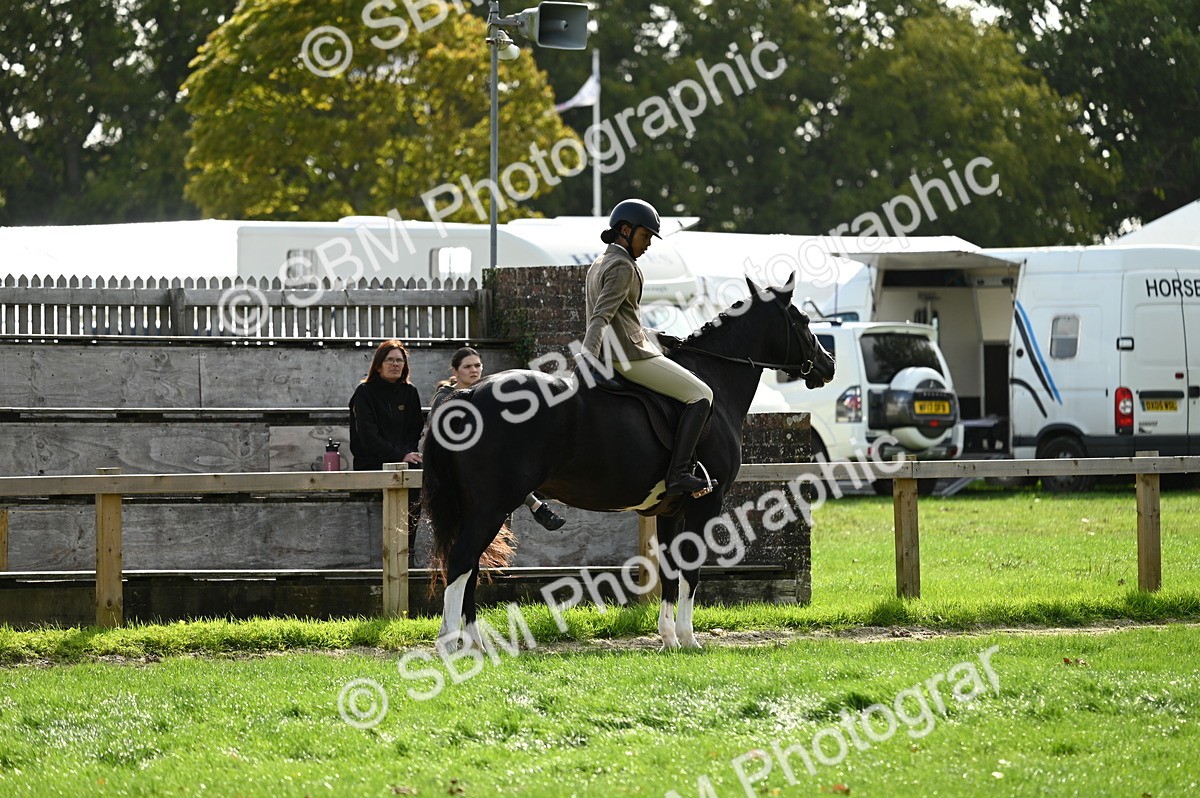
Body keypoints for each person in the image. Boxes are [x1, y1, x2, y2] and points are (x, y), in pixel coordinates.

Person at [581, 198, 717, 497]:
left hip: (626, 348)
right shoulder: (623, 267)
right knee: (701, 395)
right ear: (625, 231)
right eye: (645, 236)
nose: (648, 244)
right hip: (629, 357)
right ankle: (679, 473)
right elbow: (601, 315)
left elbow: (622, 319)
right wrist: (587, 356)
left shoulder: (599, 262)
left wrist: (655, 334)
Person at [428, 346, 566, 531]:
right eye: (467, 366)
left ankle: (534, 508)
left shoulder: (487, 394)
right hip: (453, 457)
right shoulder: (445, 396)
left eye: (477, 365)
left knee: (508, 467)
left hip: (484, 457)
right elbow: (443, 435)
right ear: (455, 370)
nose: (474, 370)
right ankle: (537, 506)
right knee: (502, 471)